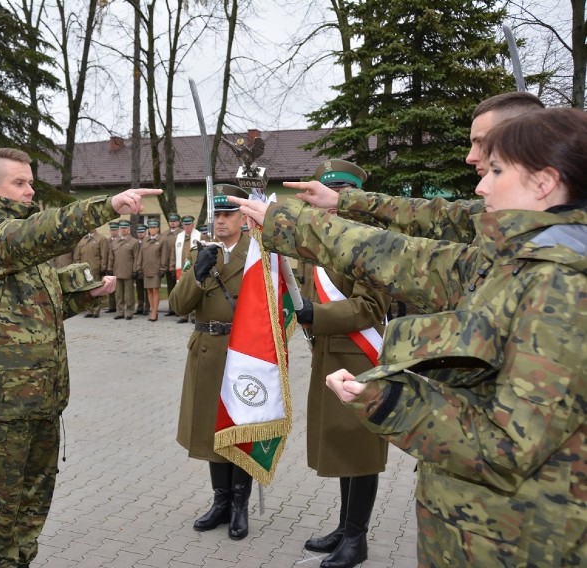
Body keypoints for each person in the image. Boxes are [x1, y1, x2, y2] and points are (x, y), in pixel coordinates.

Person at [231, 108, 587, 566]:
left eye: (497, 169)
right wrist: (291, 222)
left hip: (514, 545)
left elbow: (505, 446)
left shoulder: (562, 288)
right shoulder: (513, 260)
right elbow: (399, 254)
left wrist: (389, 399)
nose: (480, 185)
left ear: (544, 183)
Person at [0, 147, 160, 568]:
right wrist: (106, 206)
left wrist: (84, 292)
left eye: (31, 182)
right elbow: (35, 234)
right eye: (20, 183)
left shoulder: (21, 240)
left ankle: (22, 560)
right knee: (3, 502)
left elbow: (42, 308)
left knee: (36, 496)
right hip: (5, 402)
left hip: (44, 398)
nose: (30, 191)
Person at [295, 160, 391, 568]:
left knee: (361, 450)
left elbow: (371, 307)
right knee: (341, 449)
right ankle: (344, 527)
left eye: (336, 197)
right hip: (329, 355)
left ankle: (357, 539)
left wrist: (316, 314)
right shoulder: (317, 242)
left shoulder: (371, 242)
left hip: (360, 356)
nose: (328, 207)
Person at [286, 91, 544, 244]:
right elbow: (429, 213)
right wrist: (342, 199)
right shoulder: (499, 217)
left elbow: (418, 260)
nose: (470, 157)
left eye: (480, 143)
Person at [168, 185, 255, 541]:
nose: (220, 221)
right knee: (210, 429)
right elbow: (177, 305)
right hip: (206, 349)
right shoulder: (201, 250)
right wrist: (196, 272)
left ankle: (239, 505)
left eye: (227, 214)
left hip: (243, 352)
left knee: (240, 430)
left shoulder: (258, 254)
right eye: (216, 215)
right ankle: (220, 502)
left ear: (243, 218)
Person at [171, 215, 201, 323]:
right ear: (182, 225)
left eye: (189, 224)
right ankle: (183, 315)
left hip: (194, 268)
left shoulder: (200, 236)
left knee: (193, 291)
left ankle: (193, 315)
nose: (187, 226)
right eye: (185, 224)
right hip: (181, 269)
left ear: (193, 224)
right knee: (182, 291)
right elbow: (173, 254)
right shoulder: (178, 237)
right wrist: (171, 266)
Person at [73, 228, 110, 318]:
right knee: (86, 291)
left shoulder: (101, 239)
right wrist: (77, 267)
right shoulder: (82, 239)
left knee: (96, 290)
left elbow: (104, 255)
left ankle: (96, 310)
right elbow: (77, 255)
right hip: (84, 270)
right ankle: (89, 310)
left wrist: (103, 268)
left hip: (95, 269)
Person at [109, 219, 140, 320]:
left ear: (129, 229)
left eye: (125, 228)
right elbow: (111, 257)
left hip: (128, 271)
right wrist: (109, 268)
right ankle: (120, 311)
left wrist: (135, 269)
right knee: (118, 293)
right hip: (117, 271)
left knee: (129, 294)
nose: (123, 230)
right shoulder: (115, 242)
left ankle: (130, 311)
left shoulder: (134, 242)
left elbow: (137, 257)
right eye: (122, 228)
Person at [136, 219, 164, 321]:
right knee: (149, 290)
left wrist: (162, 268)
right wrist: (138, 267)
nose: (152, 229)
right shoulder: (145, 240)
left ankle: (155, 312)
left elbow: (164, 255)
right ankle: (152, 310)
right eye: (150, 228)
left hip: (156, 269)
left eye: (154, 227)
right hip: (146, 268)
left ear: (158, 228)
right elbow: (140, 255)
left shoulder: (162, 240)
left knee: (155, 290)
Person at [161, 213, 182, 316]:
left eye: (175, 221)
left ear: (178, 222)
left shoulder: (182, 233)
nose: (172, 223)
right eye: (171, 221)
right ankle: (171, 308)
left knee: (179, 288)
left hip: (179, 264)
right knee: (170, 288)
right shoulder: (164, 235)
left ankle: (180, 309)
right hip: (168, 264)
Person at [104, 220, 119, 313]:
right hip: (109, 267)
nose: (113, 232)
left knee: (118, 289)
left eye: (115, 230)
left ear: (118, 230)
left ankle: (119, 306)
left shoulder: (120, 240)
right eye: (112, 230)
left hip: (118, 267)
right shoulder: (107, 241)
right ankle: (111, 306)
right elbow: (105, 254)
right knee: (109, 287)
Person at [134, 224, 147, 314]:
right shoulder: (135, 242)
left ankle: (147, 307)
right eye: (139, 232)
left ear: (146, 232)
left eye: (142, 232)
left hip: (146, 269)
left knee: (147, 289)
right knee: (139, 289)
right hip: (136, 269)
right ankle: (140, 306)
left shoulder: (148, 241)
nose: (140, 234)